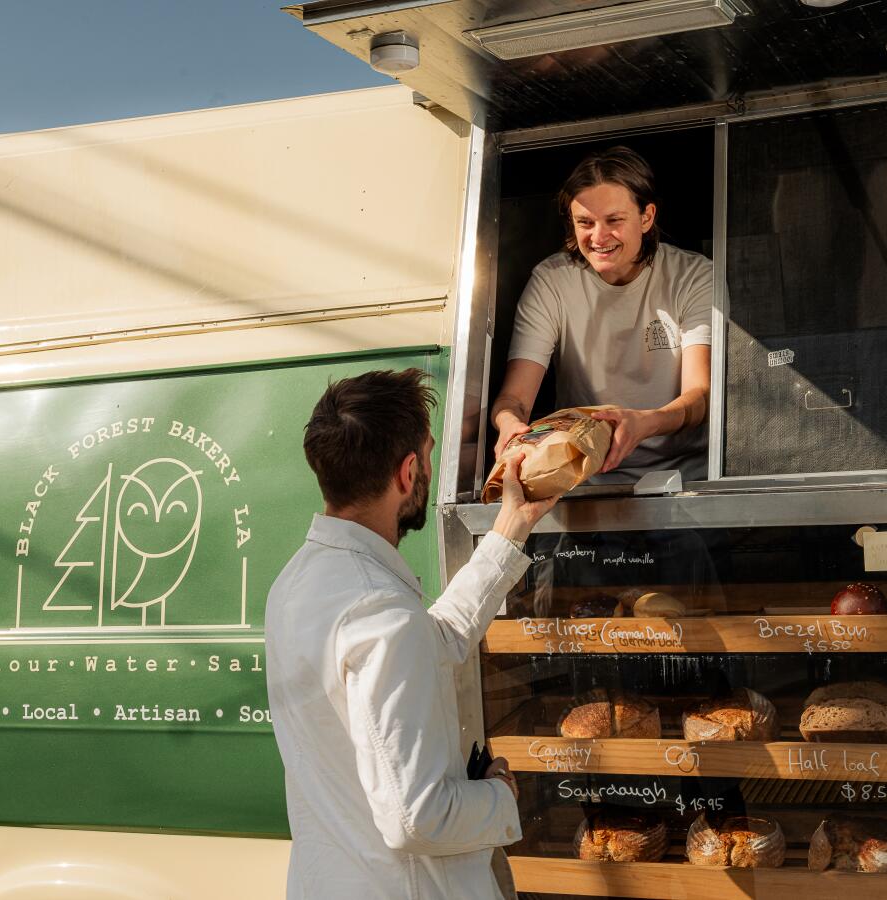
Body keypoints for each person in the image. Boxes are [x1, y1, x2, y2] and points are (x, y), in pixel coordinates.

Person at [265, 368, 562, 900]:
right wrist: (500, 796)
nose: (428, 467)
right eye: (428, 454)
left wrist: (512, 524)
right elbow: (418, 817)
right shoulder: (380, 612)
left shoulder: (295, 584)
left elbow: (433, 638)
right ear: (408, 473)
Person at [491, 145, 713, 483]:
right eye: (585, 222)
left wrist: (645, 422)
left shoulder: (693, 275)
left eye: (614, 220)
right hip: (585, 477)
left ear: (646, 217)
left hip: (685, 476)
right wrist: (509, 423)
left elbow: (701, 396)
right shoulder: (551, 282)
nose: (598, 237)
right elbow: (514, 399)